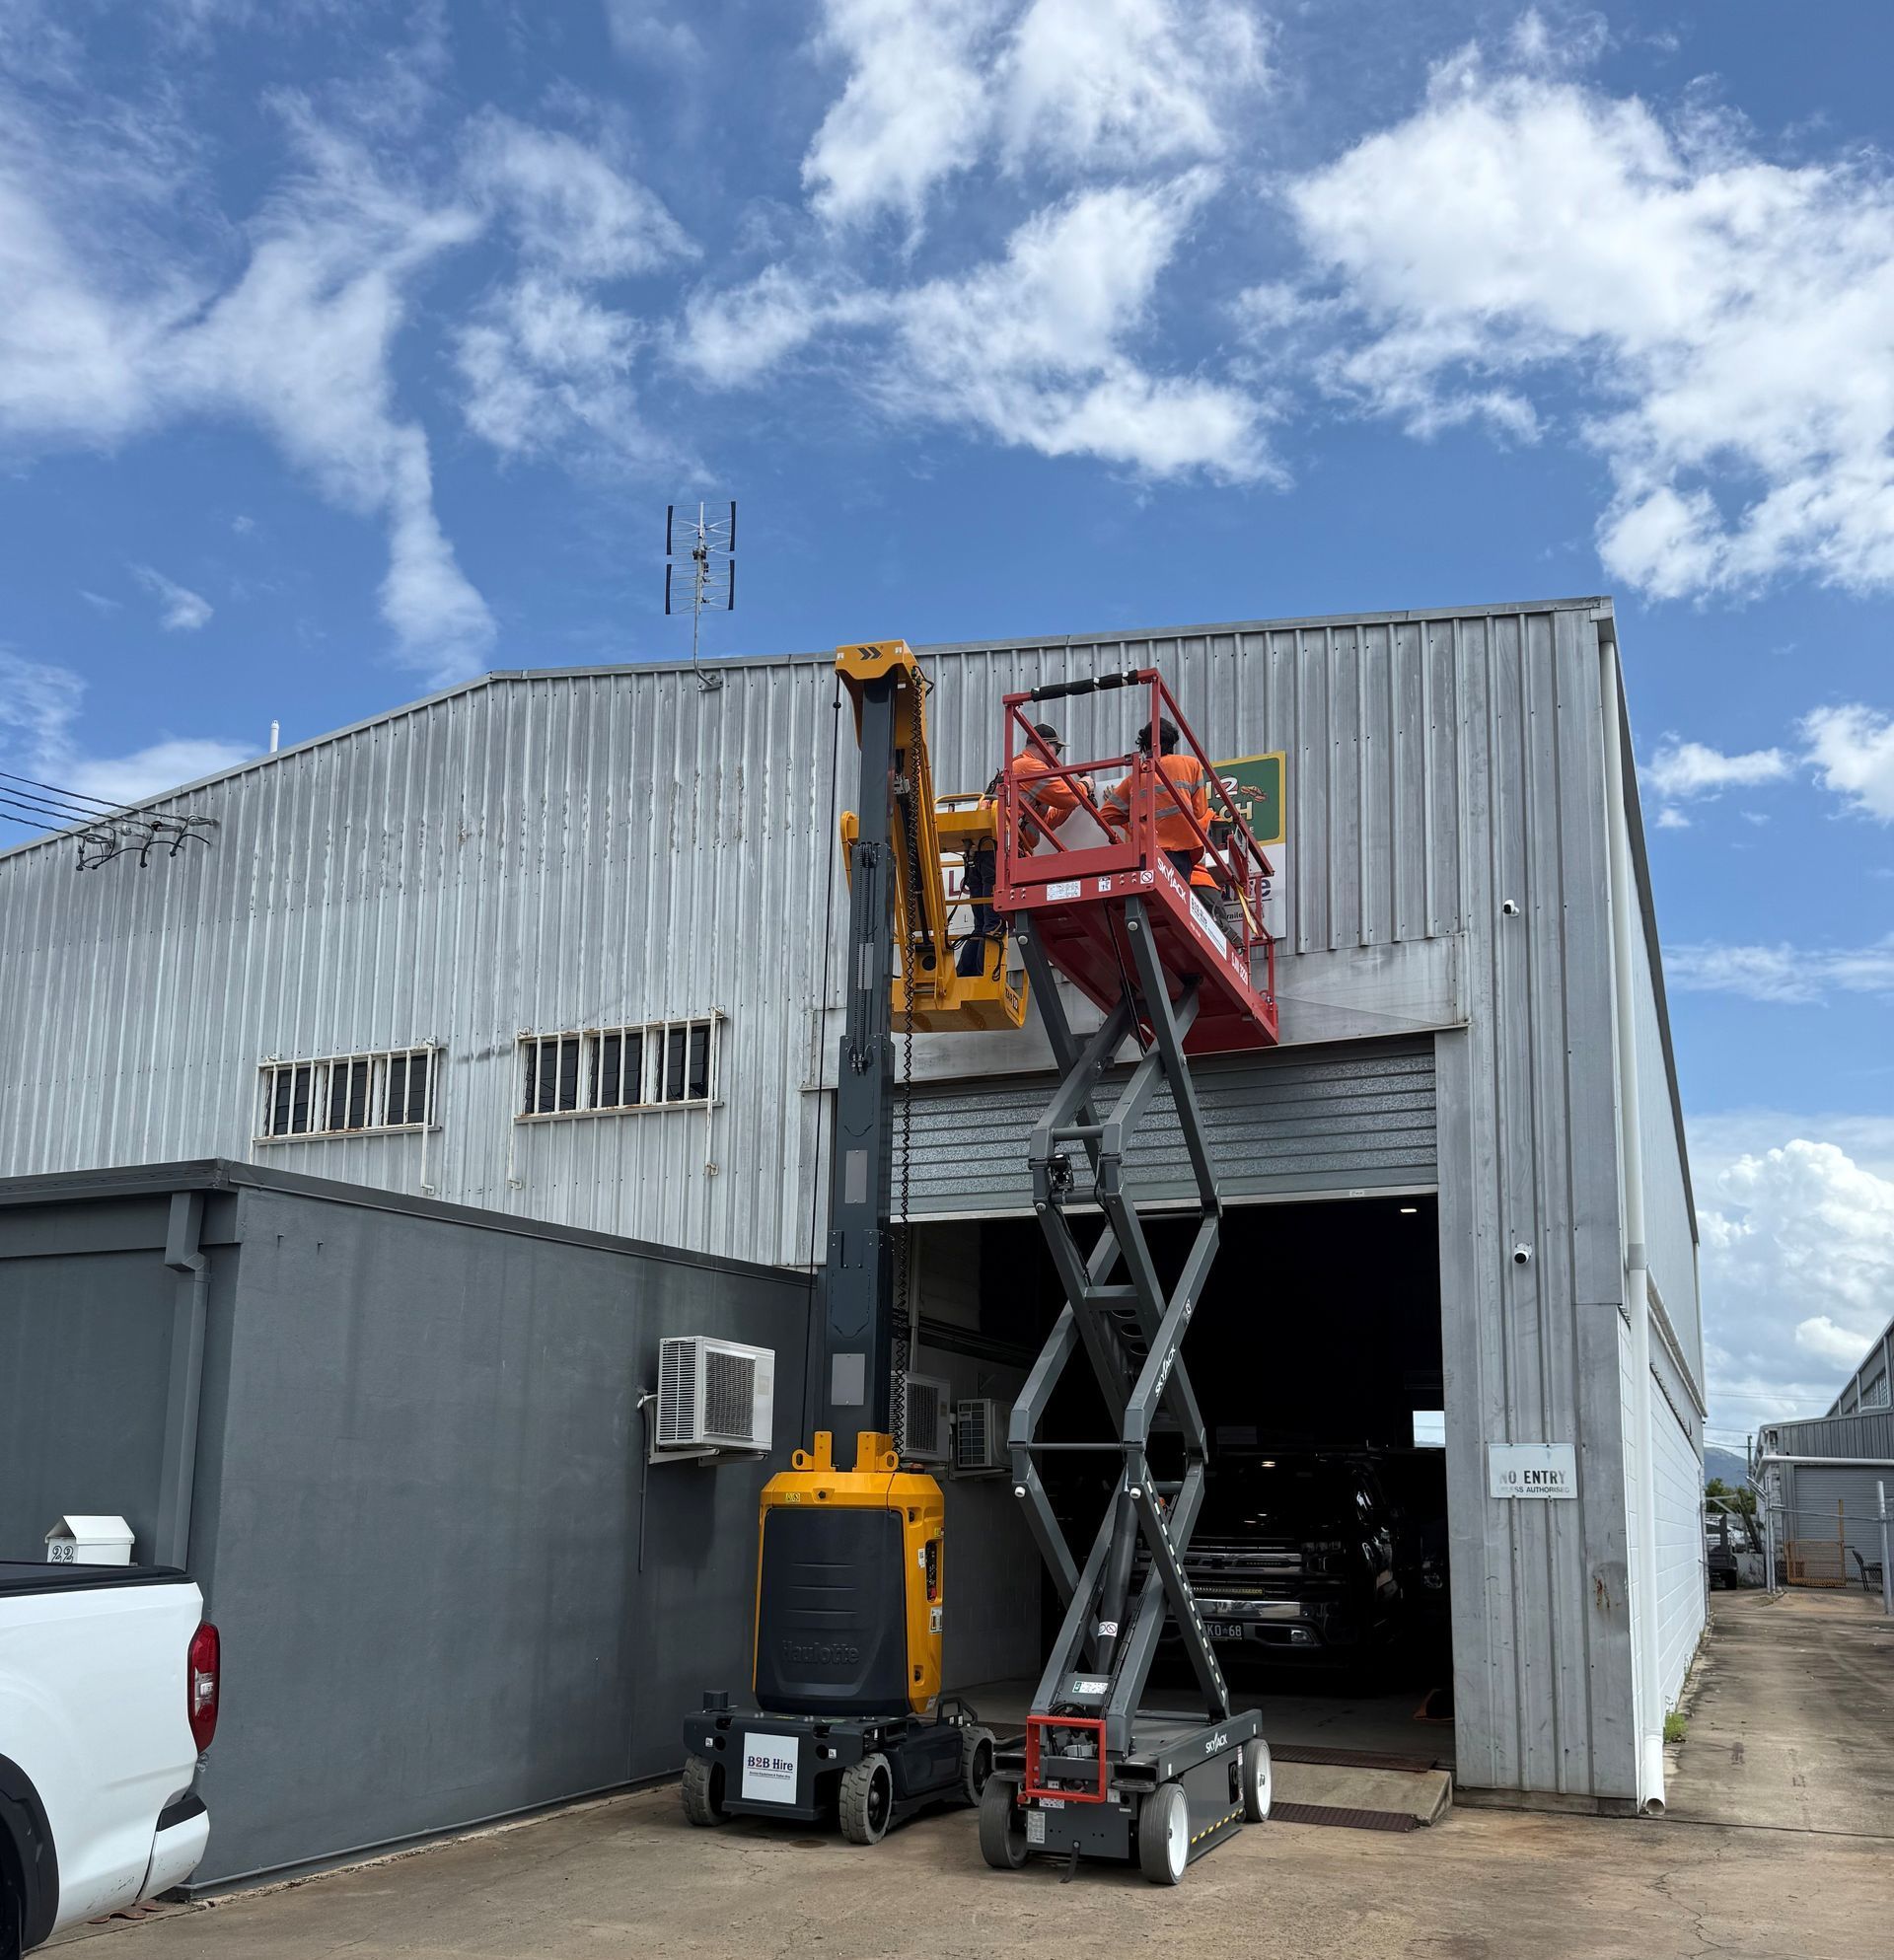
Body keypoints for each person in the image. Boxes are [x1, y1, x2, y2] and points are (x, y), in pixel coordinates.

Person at [955, 722, 1078, 978]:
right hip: (998, 851)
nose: (1057, 759)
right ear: (1044, 746)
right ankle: (982, 981)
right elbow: (1070, 797)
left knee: (983, 923)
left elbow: (1049, 818)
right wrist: (1084, 787)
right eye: (1056, 750)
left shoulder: (1016, 773)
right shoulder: (1029, 767)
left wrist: (1075, 800)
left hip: (982, 851)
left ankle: (966, 978)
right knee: (994, 921)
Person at [1101, 718, 1209, 884]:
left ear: (1145, 746)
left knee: (1148, 901)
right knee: (1176, 903)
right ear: (1172, 741)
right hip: (1181, 852)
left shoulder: (1136, 777)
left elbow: (1106, 815)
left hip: (1146, 853)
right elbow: (1200, 811)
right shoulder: (1191, 765)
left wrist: (1134, 816)